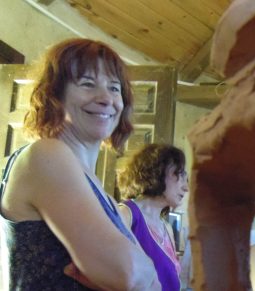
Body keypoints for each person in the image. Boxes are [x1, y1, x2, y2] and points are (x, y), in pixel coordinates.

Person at [0, 38, 160, 290]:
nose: (106, 98)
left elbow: (153, 283)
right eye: (87, 84)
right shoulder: (45, 154)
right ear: (55, 94)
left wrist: (144, 272)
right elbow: (128, 274)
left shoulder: (101, 192)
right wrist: (142, 271)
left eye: (114, 88)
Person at [117, 143, 189, 291]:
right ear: (158, 170)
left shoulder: (168, 227)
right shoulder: (126, 214)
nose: (186, 187)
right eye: (180, 175)